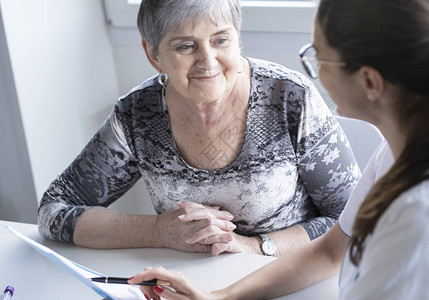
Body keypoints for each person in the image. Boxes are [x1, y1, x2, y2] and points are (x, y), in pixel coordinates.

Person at [128, 0, 429, 299]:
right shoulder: (397, 151)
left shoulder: (423, 220)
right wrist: (218, 297)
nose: (312, 72)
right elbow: (330, 250)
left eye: (317, 56)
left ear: (368, 82)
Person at [37, 0, 359, 258]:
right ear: (153, 54)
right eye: (185, 46)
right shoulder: (137, 114)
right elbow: (54, 209)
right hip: (192, 286)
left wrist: (254, 246)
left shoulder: (290, 98)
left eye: (221, 40)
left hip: (292, 276)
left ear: (237, 37)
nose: (208, 60)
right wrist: (158, 231)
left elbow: (356, 217)